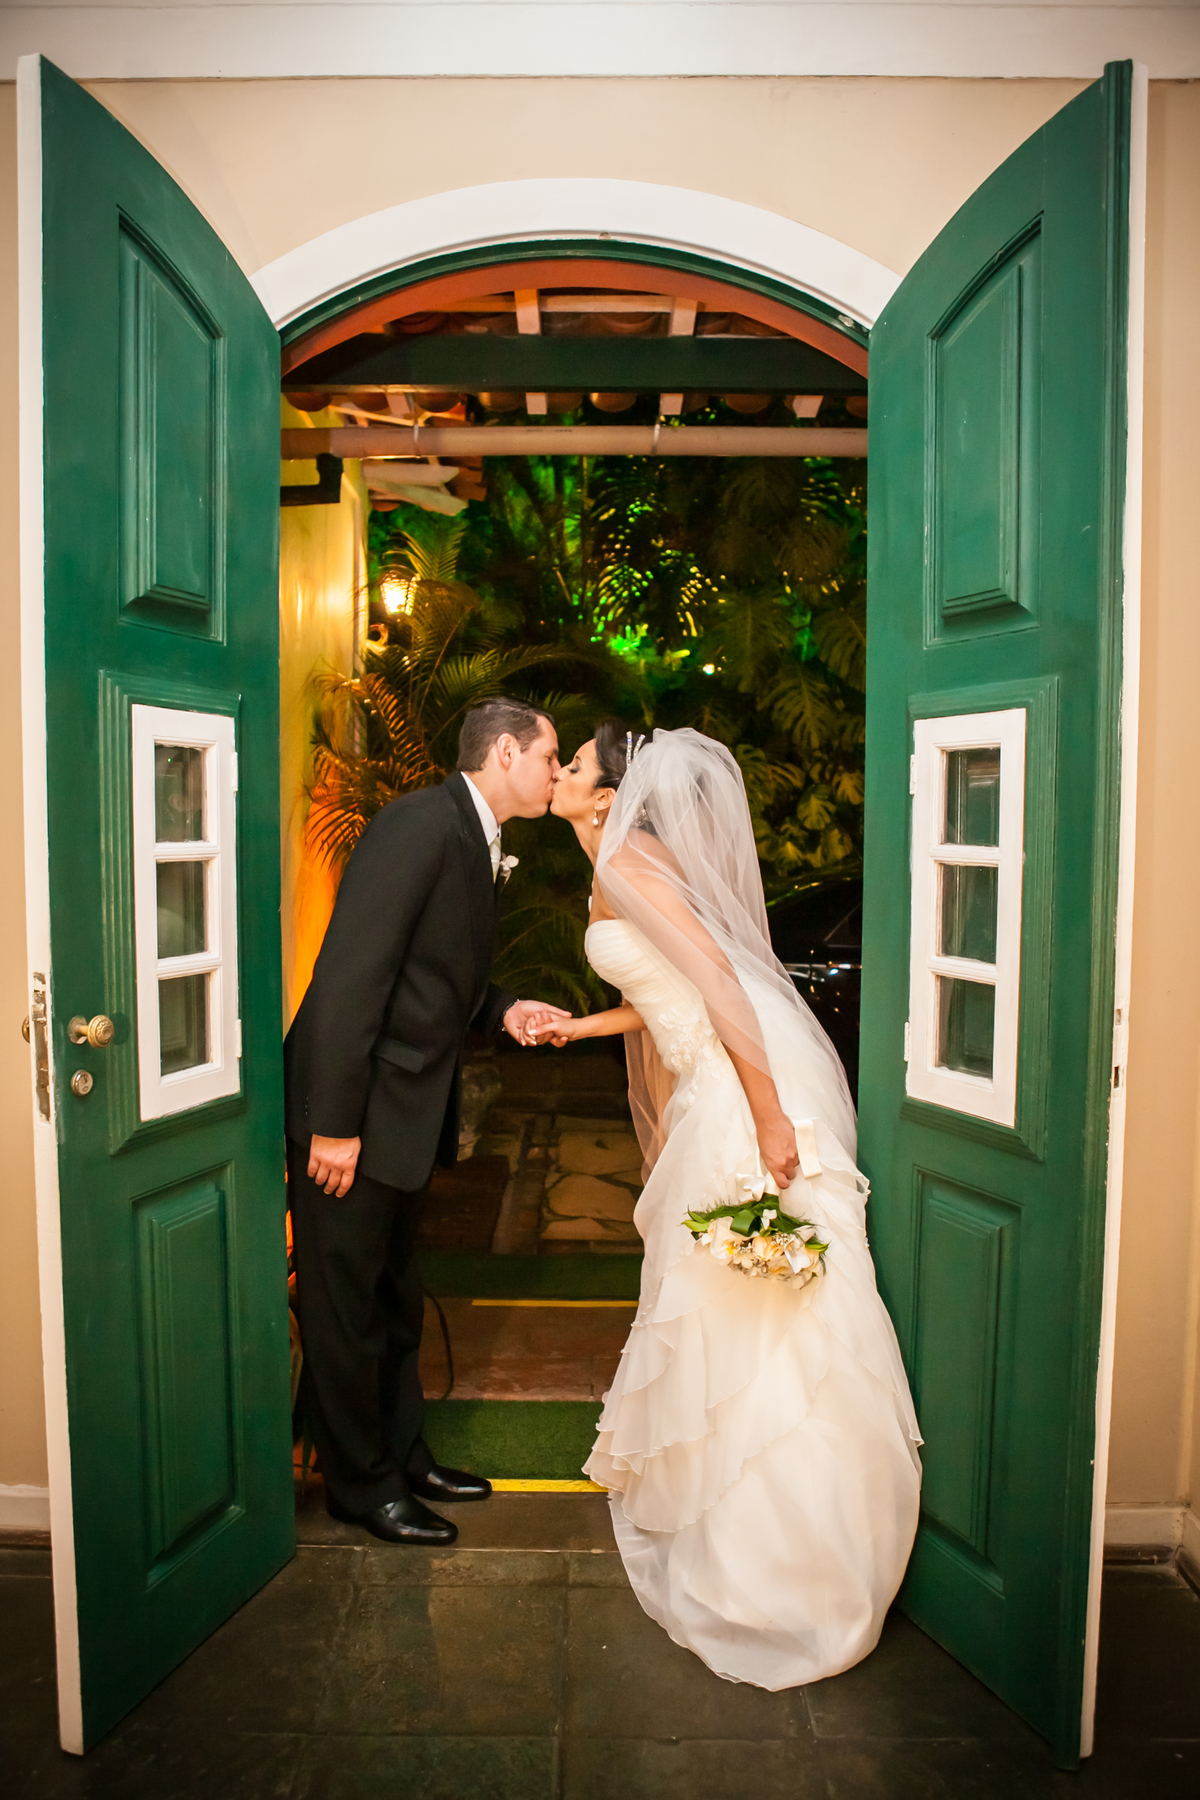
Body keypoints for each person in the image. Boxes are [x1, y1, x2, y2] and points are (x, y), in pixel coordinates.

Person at [538, 721, 921, 1687]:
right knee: (729, 1299)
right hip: (715, 1077)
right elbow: (666, 990)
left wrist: (769, 1117)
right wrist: (580, 1027)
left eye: (572, 764)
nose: (559, 771)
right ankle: (739, 1533)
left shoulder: (631, 860)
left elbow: (720, 982)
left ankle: (788, 1560)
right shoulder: (614, 862)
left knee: (760, 1310)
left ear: (607, 794)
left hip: (738, 1088)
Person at [285, 697, 570, 1547]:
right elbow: (351, 975)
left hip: (401, 1115)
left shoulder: (473, 834)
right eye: (549, 756)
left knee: (395, 1298)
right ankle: (359, 1486)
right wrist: (334, 1124)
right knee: (345, 1310)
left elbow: (435, 973)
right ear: (507, 752)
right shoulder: (418, 825)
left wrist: (505, 1007)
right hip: (355, 1115)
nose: (556, 772)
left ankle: (404, 1455)